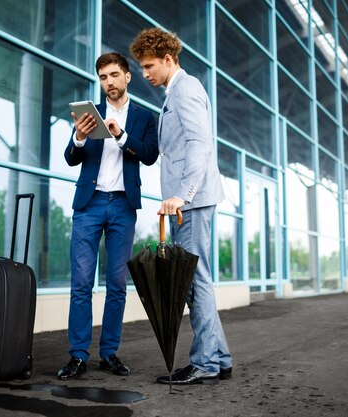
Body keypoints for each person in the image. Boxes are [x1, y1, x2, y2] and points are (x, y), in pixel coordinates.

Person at [130, 28, 233, 385]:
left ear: (168, 59)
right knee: (197, 278)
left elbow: (199, 144)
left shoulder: (186, 89)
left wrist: (182, 195)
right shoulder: (175, 91)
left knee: (192, 281)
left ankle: (204, 363)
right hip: (190, 201)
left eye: (148, 66)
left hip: (191, 201)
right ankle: (219, 359)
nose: (144, 74)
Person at [58, 52, 159, 380]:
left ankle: (109, 353)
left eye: (114, 75)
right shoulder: (92, 114)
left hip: (122, 206)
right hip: (88, 205)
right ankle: (77, 355)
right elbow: (71, 157)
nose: (109, 82)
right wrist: (80, 136)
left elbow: (150, 155)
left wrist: (121, 136)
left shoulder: (144, 118)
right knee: (82, 283)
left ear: (127, 77)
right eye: (103, 77)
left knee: (116, 284)